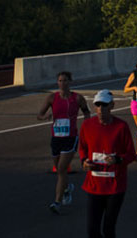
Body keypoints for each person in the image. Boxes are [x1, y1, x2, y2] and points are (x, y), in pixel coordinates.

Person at [78, 90, 136, 238]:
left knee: (108, 229)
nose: (100, 109)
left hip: (114, 187)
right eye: (97, 105)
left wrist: (118, 160)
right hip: (94, 185)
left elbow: (130, 154)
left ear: (112, 105)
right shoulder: (87, 125)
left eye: (104, 105)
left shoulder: (121, 127)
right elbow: (83, 148)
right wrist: (84, 161)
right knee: (92, 230)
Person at [39, 70, 91, 213]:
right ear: (57, 83)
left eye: (65, 81)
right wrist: (46, 117)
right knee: (59, 171)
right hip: (56, 138)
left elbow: (87, 112)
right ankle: (67, 188)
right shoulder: (51, 98)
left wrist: (87, 126)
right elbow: (39, 115)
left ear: (70, 82)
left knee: (61, 169)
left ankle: (57, 202)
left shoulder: (78, 98)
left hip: (70, 137)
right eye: (60, 81)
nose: (62, 83)